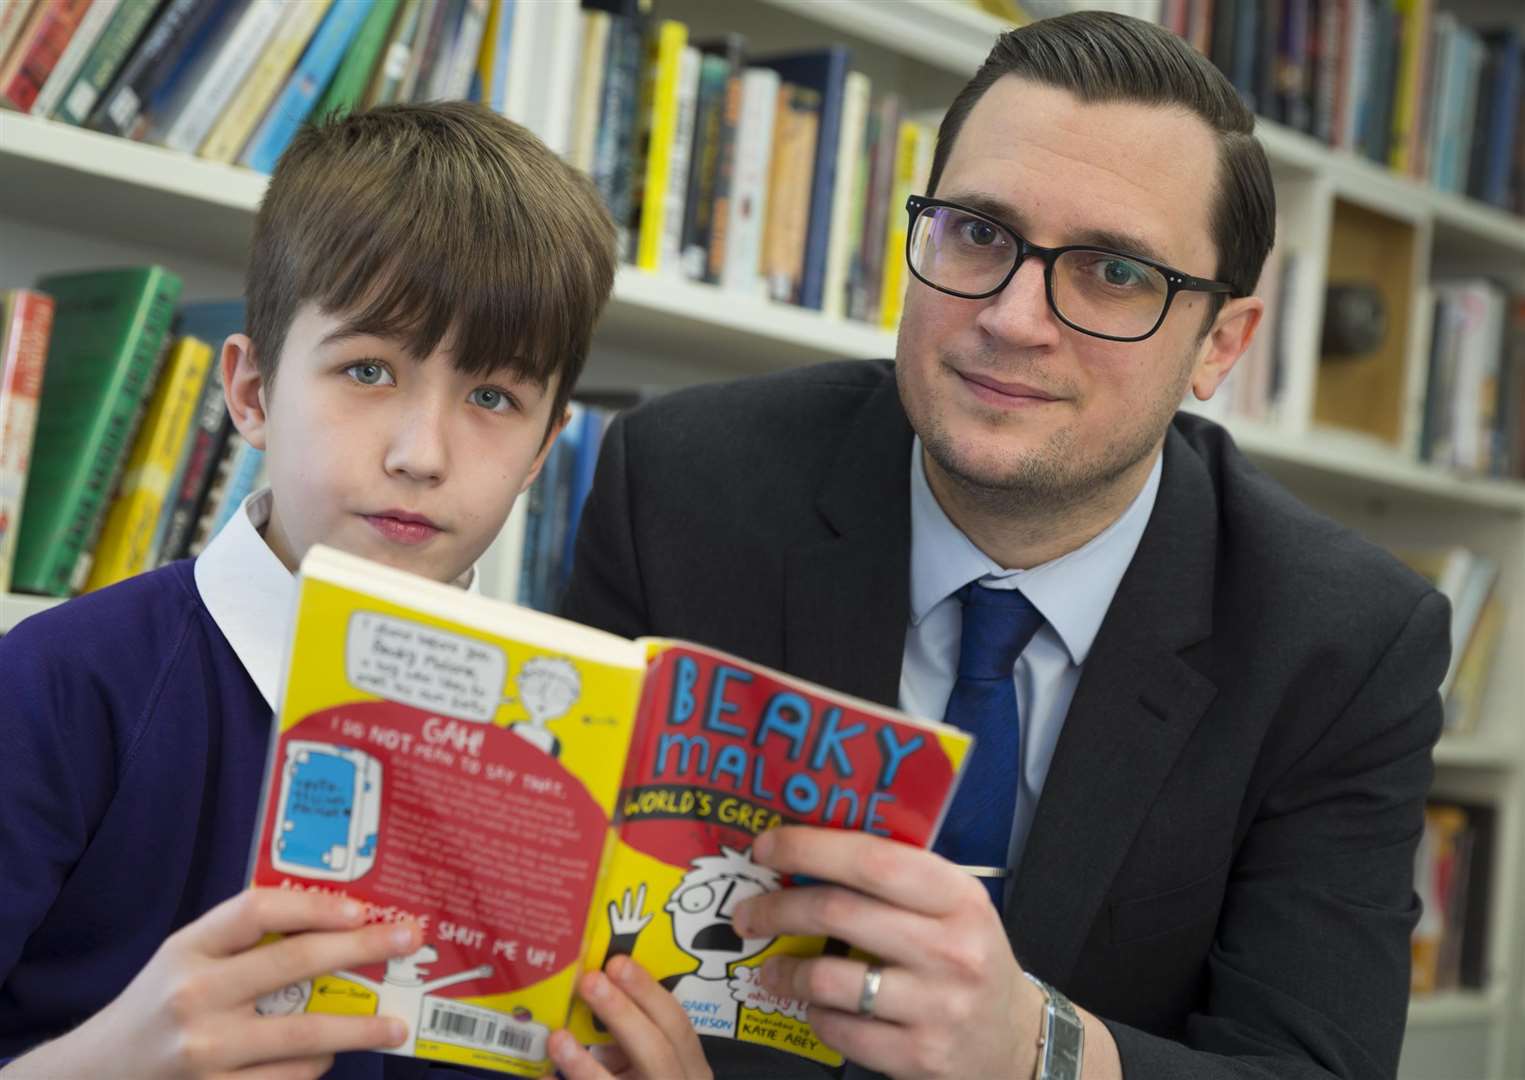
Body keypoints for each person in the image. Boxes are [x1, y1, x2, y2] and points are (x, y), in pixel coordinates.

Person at [563, 12, 1448, 1080]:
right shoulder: (684, 484)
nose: (1015, 318)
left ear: (1219, 345)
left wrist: (1039, 1050)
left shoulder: (1342, 643)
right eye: (979, 233)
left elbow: (1311, 1065)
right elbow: (555, 903)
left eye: (1113, 273)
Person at [0, 102, 706, 1080]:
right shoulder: (53, 688)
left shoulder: (572, 759)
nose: (421, 455)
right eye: (367, 369)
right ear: (250, 394)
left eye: (493, 397)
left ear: (546, 448)